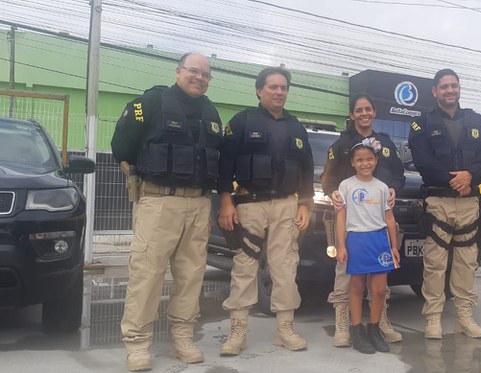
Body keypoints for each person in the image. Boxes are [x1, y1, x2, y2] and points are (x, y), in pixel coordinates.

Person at [111, 52, 223, 371]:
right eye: (193, 71)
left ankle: (182, 339)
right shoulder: (151, 102)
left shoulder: (211, 111)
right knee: (147, 274)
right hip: (159, 200)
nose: (199, 77)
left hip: (199, 204)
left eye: (205, 74)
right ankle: (137, 344)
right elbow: (122, 143)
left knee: (191, 276)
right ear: (178, 72)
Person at [217, 66, 314, 355]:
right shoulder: (242, 121)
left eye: (283, 88)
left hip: (286, 204)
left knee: (285, 266)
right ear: (260, 91)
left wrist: (306, 204)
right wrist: (225, 200)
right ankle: (237, 332)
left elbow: (307, 169)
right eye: (273, 87)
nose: (279, 92)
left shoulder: (296, 127)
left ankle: (285, 329)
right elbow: (225, 163)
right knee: (245, 266)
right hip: (250, 203)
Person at [408, 69, 481, 340]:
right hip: (439, 202)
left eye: (453, 86)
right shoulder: (420, 124)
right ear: (435, 91)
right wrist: (456, 180)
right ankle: (433, 318)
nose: (449, 90)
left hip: (469, 202)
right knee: (435, 263)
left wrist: (471, 175)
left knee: (467, 263)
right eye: (444, 86)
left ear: (459, 88)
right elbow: (423, 163)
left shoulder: (477, 121)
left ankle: (464, 318)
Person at [320, 94, 406, 347]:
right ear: (352, 115)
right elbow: (328, 177)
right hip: (350, 221)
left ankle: (380, 322)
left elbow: (399, 174)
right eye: (359, 110)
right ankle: (344, 322)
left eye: (368, 109)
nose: (364, 113)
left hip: (380, 219)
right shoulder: (341, 145)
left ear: (374, 112)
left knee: (380, 279)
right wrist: (332, 192)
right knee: (345, 274)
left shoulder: (386, 144)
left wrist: (394, 188)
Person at [335, 139, 401, 354]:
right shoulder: (346, 186)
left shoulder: (382, 187)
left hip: (379, 240)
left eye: (369, 159)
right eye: (360, 160)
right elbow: (341, 217)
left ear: (376, 161)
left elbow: (389, 218)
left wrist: (394, 247)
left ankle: (374, 329)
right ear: (353, 163)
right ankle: (356, 330)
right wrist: (341, 246)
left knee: (380, 289)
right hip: (357, 239)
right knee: (357, 287)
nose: (365, 164)